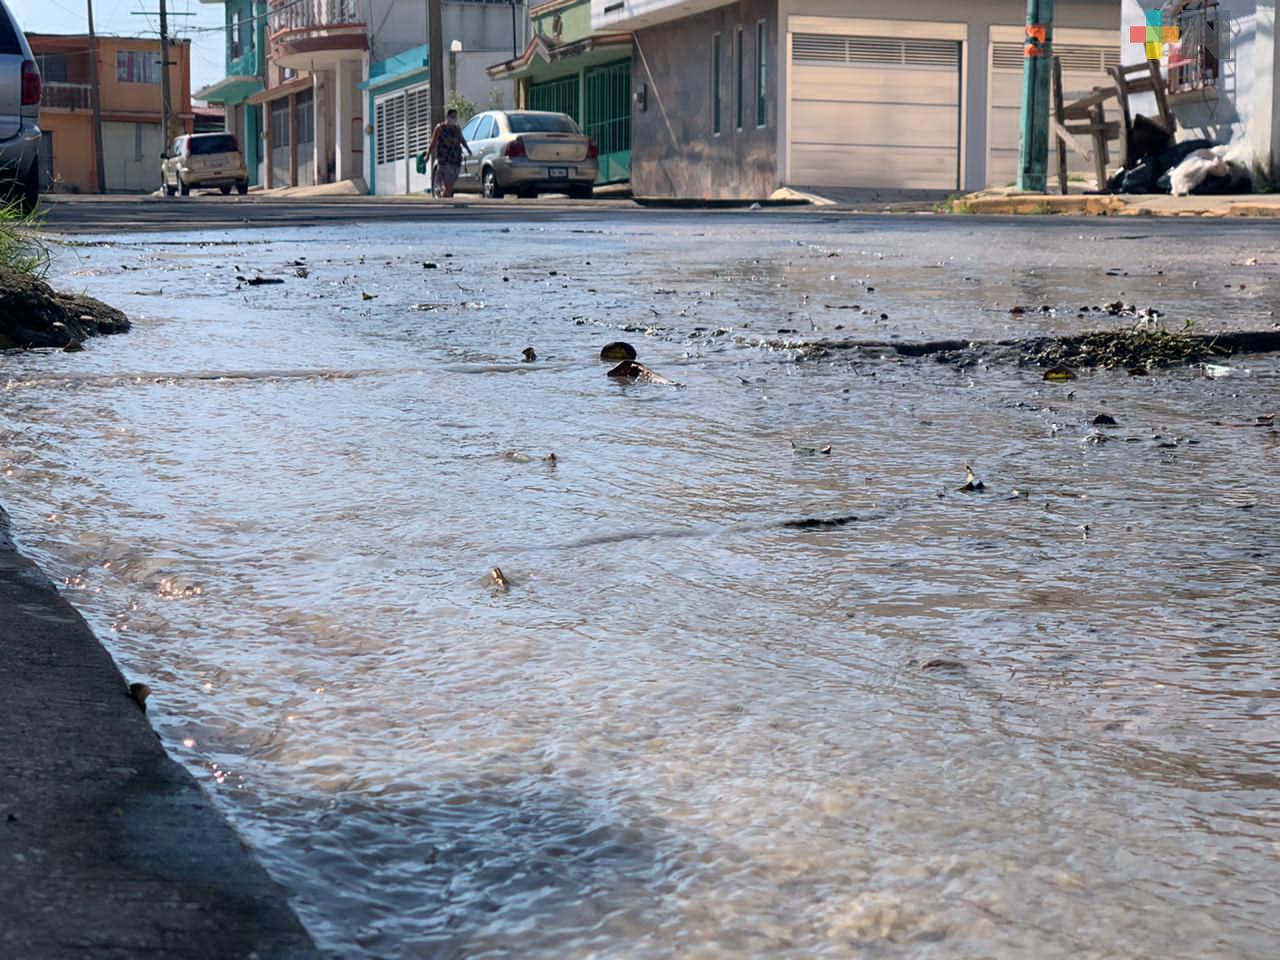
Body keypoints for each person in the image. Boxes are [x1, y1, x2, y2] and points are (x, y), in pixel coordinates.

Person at [427, 109, 471, 198]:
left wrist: (468, 149)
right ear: (447, 117)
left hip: (456, 159)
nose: (454, 119)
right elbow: (433, 142)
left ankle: (445, 196)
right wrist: (428, 154)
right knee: (448, 183)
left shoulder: (457, 128)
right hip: (444, 159)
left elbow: (462, 140)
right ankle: (446, 197)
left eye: (455, 117)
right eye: (452, 117)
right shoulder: (440, 128)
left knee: (451, 182)